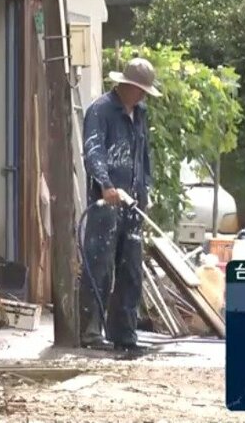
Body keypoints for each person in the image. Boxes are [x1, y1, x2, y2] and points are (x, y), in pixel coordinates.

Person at [79, 57, 161, 353]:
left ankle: (124, 333)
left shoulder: (139, 113)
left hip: (133, 202)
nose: (141, 96)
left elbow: (143, 156)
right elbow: (93, 150)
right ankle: (90, 333)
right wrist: (106, 184)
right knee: (99, 264)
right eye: (138, 90)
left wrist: (145, 190)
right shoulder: (100, 110)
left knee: (131, 269)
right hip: (107, 202)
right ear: (125, 85)